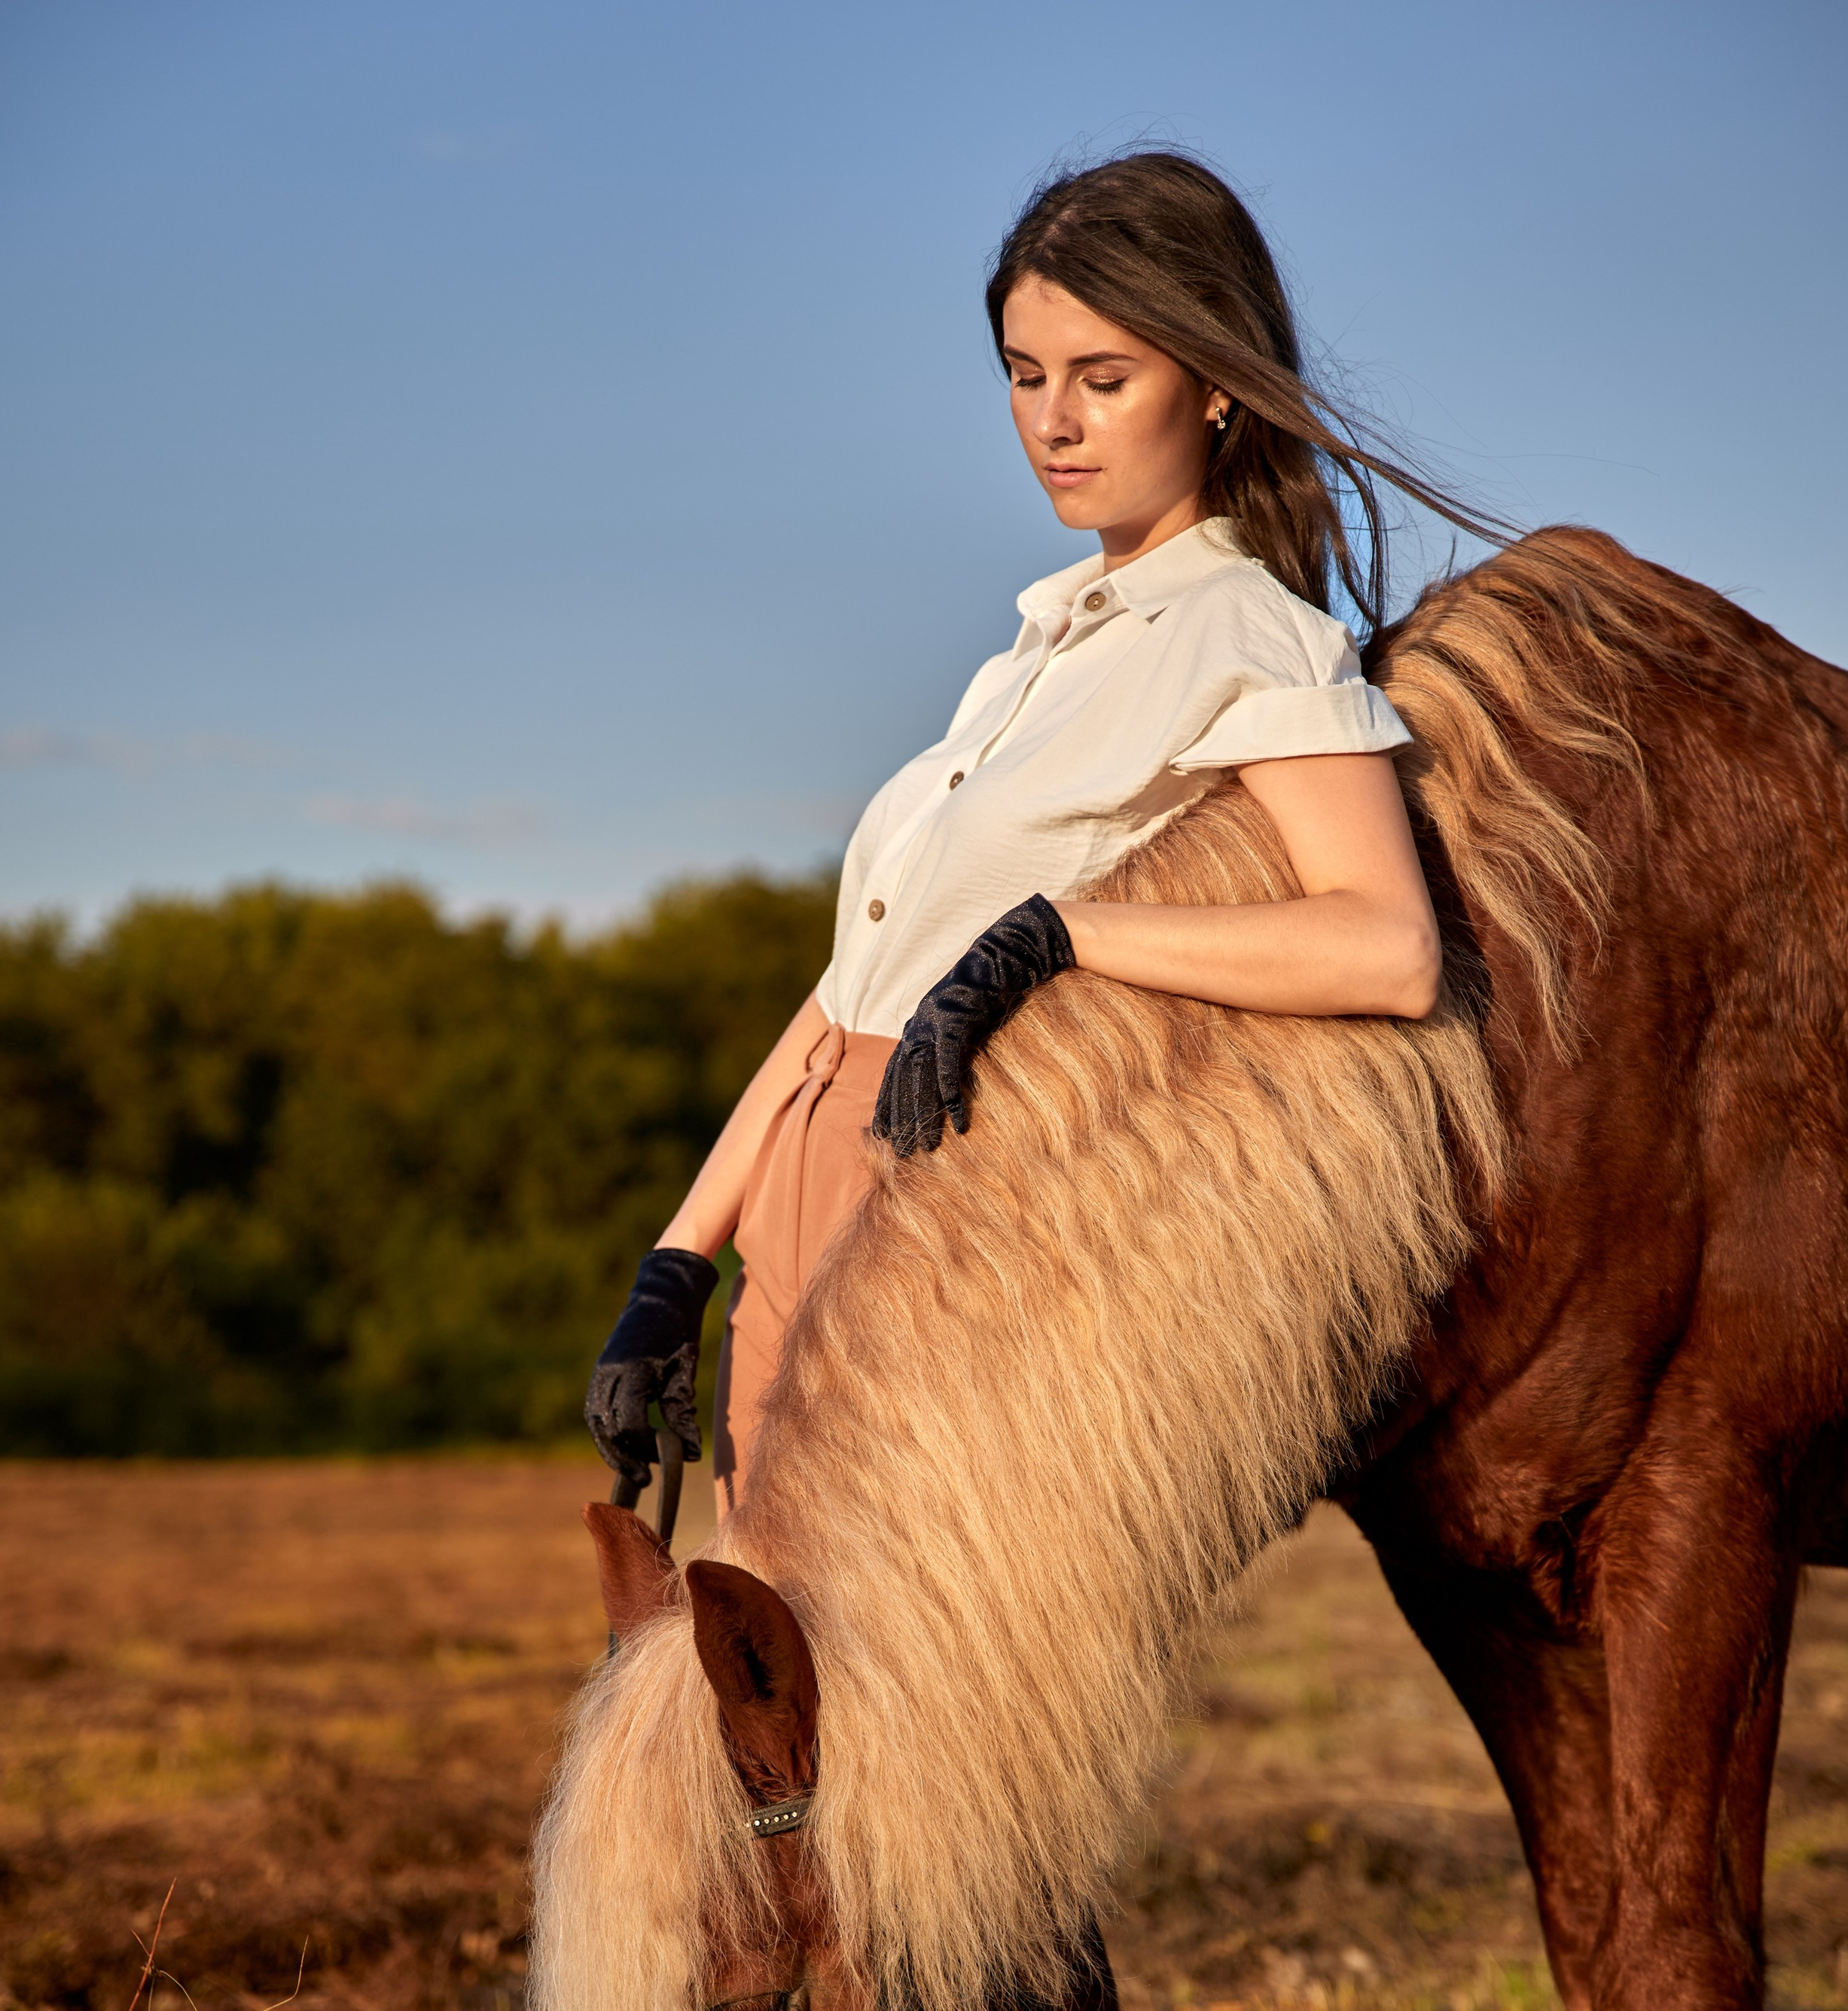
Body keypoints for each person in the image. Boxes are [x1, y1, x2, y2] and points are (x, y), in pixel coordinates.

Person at [584, 152, 1494, 1513]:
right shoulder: (1024, 659)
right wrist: (676, 1268)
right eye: (1024, 374)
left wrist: (1062, 936)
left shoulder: (1254, 637)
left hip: (956, 1222)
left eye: (1102, 377)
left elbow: (1388, 946)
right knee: (743, 1678)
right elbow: (852, 993)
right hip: (797, 1217)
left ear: (1216, 382)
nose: (1054, 423)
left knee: (889, 1693)